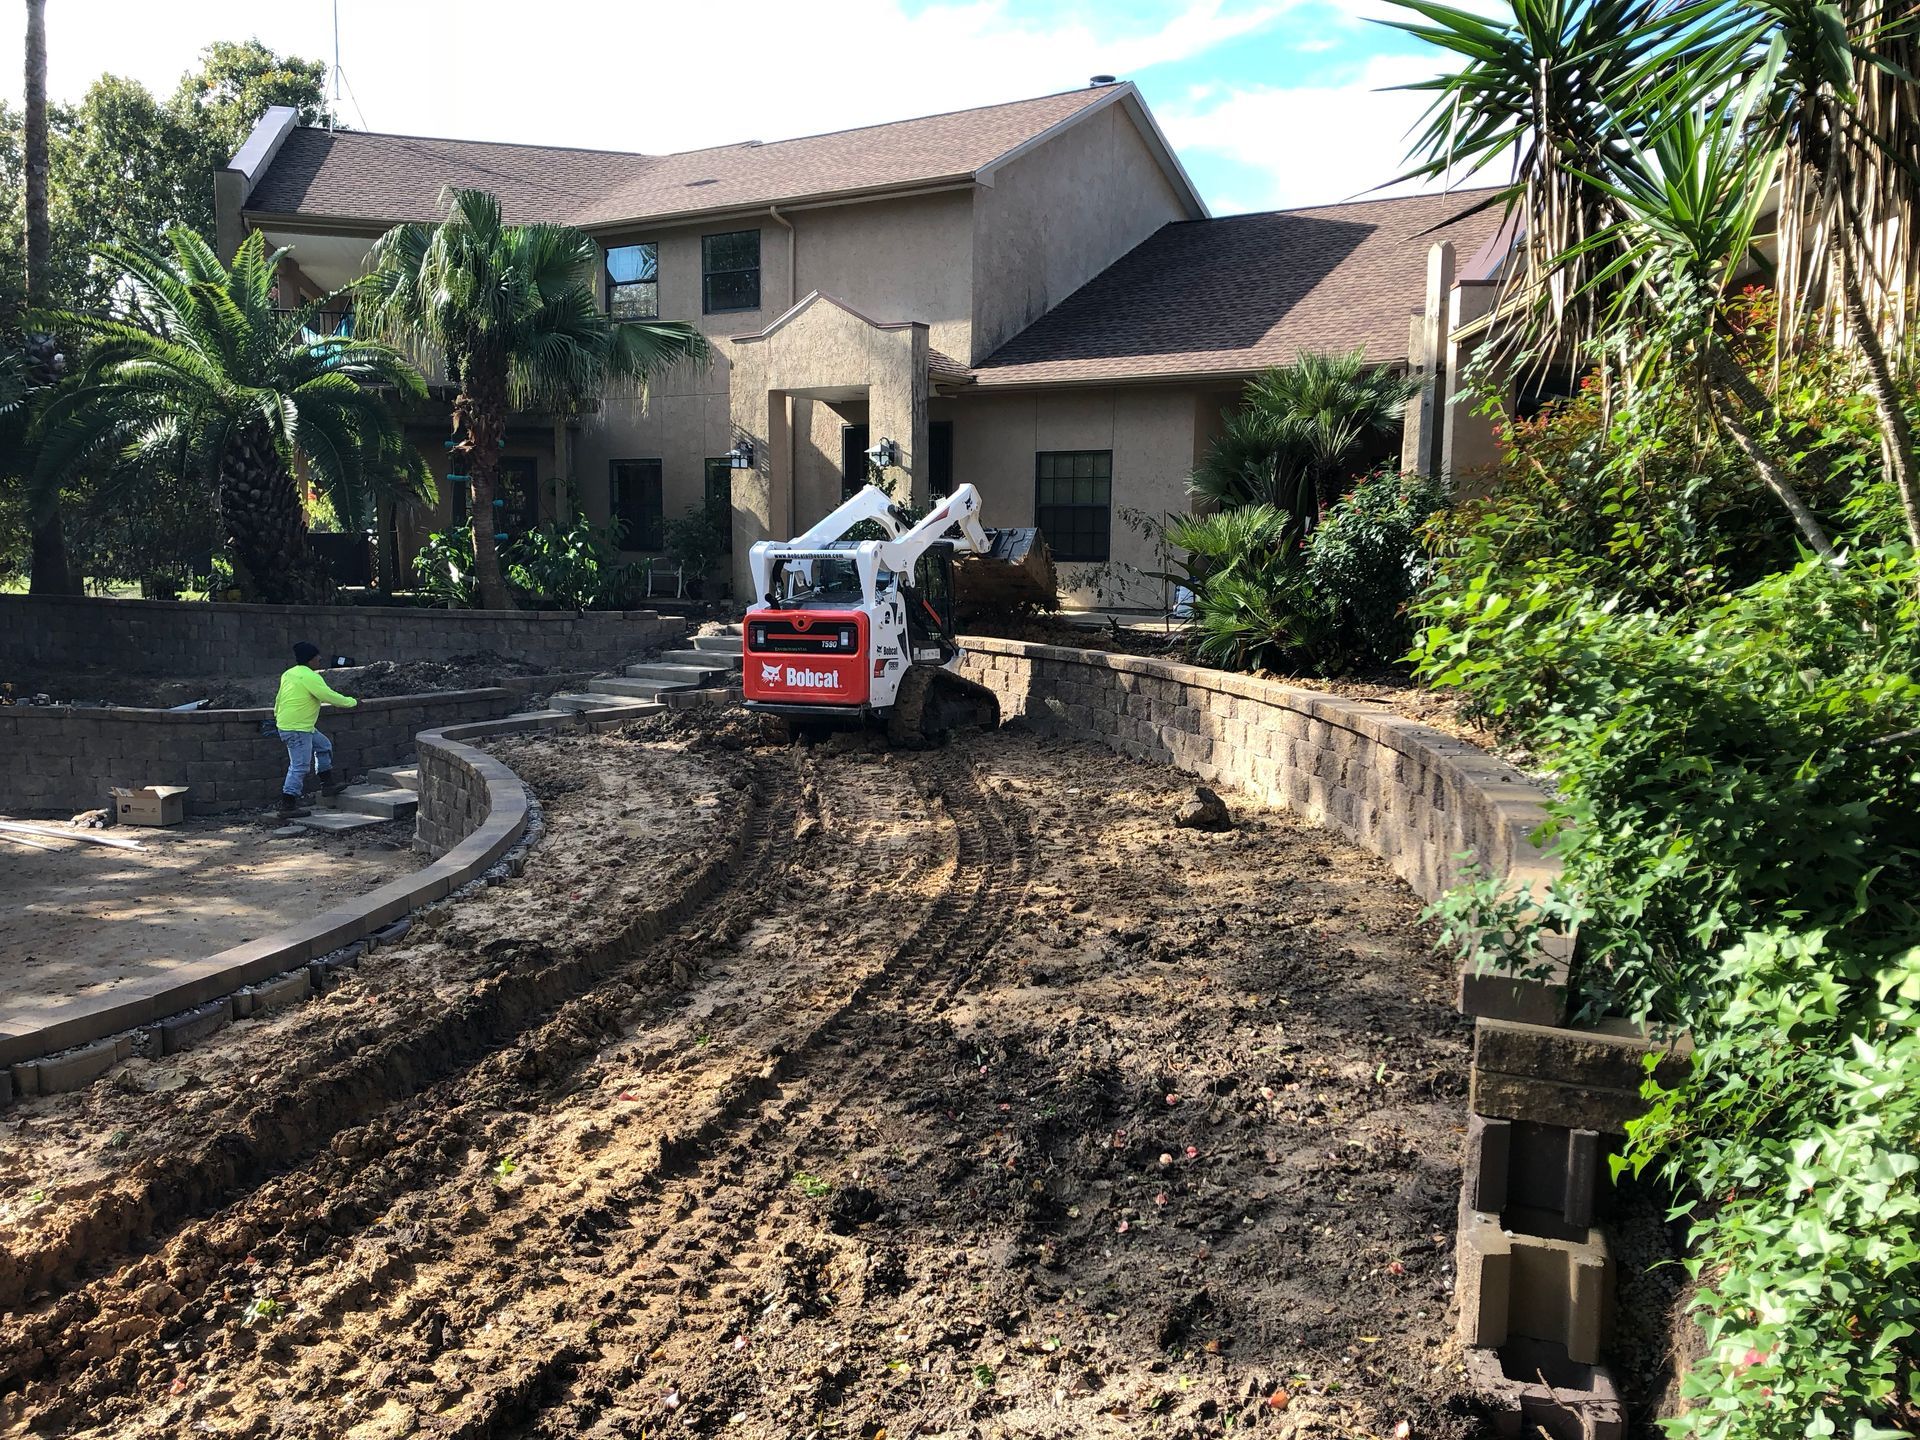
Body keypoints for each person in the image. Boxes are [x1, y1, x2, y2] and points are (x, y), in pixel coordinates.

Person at [273, 641, 357, 816]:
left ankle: (327, 785)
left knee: (323, 746)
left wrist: (277, 715)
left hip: (295, 725)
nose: (320, 659)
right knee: (300, 766)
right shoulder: (311, 677)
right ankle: (287, 804)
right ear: (309, 659)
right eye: (316, 656)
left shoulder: (289, 674)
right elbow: (328, 695)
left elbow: (279, 697)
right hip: (298, 728)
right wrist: (352, 702)